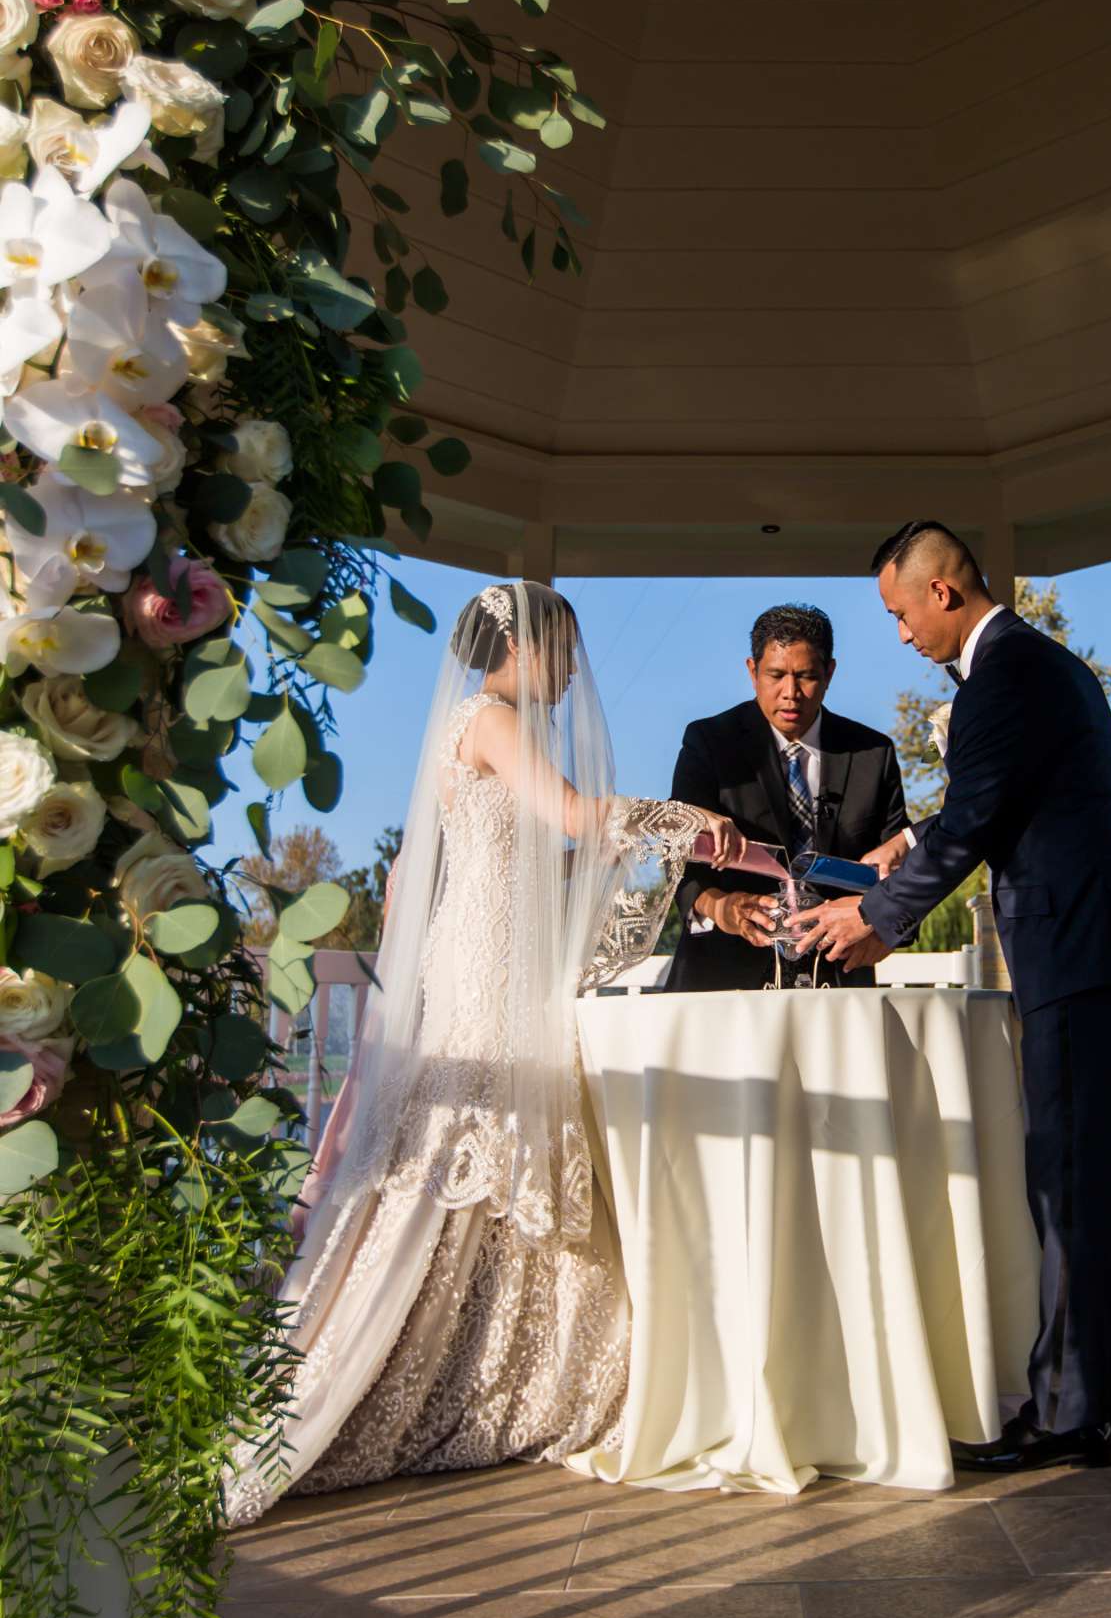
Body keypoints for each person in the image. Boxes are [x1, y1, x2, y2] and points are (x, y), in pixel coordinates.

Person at [226, 581, 743, 1523]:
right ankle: (408, 1381)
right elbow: (578, 817)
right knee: (462, 1155)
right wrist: (685, 822)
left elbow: (502, 854)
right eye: (570, 650)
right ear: (532, 646)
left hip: (490, 951)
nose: (578, 671)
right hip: (486, 971)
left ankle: (484, 1373)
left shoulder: (473, 724)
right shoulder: (496, 721)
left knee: (477, 1162)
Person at [797, 521, 1111, 1472]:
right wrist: (904, 842)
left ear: (941, 592)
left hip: (1079, 953)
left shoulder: (1001, 676)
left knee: (1070, 1185)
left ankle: (1068, 1415)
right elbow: (1009, 795)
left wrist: (878, 918)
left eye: (898, 614)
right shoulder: (1040, 665)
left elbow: (978, 818)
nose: (899, 636)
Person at [662, 600, 908, 991]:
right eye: (775, 675)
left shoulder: (872, 754)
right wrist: (720, 908)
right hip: (724, 982)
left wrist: (885, 930)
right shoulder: (709, 743)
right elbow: (678, 858)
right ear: (752, 671)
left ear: (830, 672)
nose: (790, 693)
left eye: (806, 676)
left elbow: (900, 867)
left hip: (839, 982)